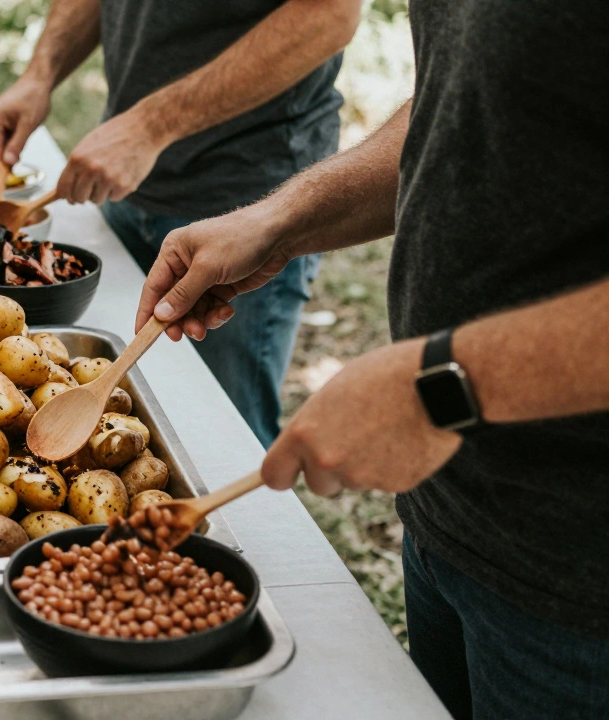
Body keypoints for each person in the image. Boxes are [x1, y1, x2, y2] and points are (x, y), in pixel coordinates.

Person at [136, 1, 609, 717]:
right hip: (454, 515)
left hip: (581, 592)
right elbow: (474, 100)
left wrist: (444, 387)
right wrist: (280, 220)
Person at [0, 0, 362, 447]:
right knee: (141, 400)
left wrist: (152, 125)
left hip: (249, 204)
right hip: (131, 185)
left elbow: (327, 15)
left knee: (228, 435)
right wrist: (39, 76)